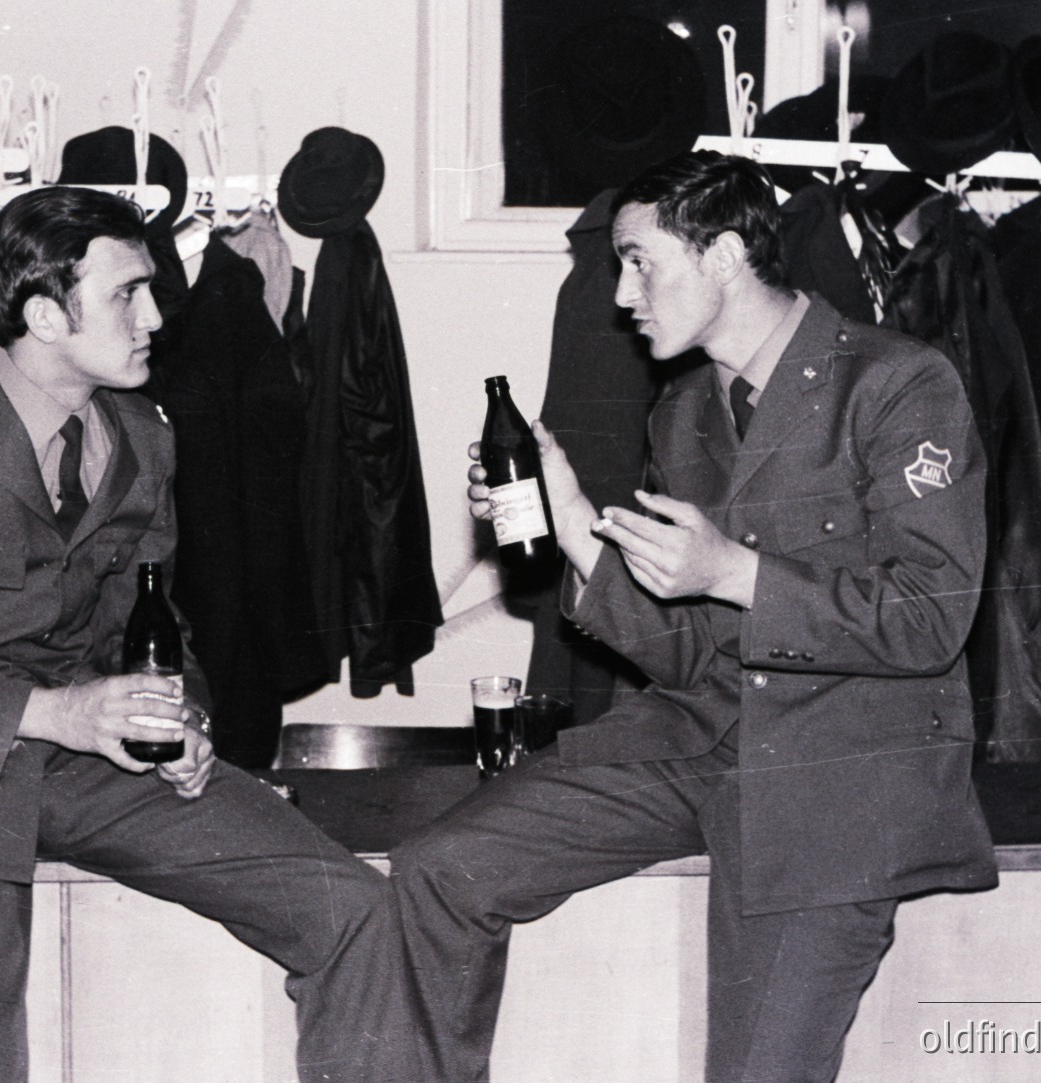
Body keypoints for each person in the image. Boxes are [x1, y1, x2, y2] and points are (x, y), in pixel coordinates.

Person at [390, 151, 999, 1082]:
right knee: (436, 871)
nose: (622, 294)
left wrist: (737, 569)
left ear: (720, 256)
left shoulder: (896, 382)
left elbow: (930, 617)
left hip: (835, 777)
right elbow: (689, 655)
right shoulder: (682, 414)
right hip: (702, 738)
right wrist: (572, 527)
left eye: (640, 261)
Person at [0, 186, 417, 1083]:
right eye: (128, 293)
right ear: (46, 313)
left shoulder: (140, 433)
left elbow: (152, 625)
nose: (157, 317)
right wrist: (55, 712)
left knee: (359, 913)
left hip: (92, 760)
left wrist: (184, 721)